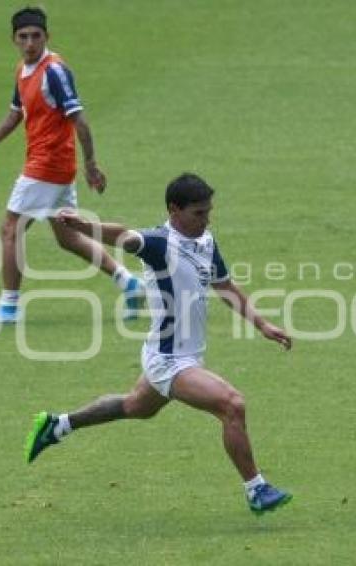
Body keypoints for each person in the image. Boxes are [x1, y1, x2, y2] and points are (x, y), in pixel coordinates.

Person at [25, 173, 294, 515]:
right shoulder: (159, 244)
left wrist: (263, 324)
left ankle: (59, 424)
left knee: (136, 407)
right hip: (169, 360)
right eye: (198, 213)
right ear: (174, 210)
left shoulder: (205, 240)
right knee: (232, 405)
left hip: (182, 355)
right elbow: (125, 235)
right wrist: (82, 225)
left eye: (208, 212)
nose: (206, 220)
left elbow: (224, 285)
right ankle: (257, 489)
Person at [0, 7, 143, 325]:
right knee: (68, 236)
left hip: (48, 165)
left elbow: (80, 120)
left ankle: (9, 307)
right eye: (23, 37)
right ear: (14, 40)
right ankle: (130, 283)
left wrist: (91, 164)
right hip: (50, 165)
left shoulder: (55, 71)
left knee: (10, 229)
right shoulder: (23, 69)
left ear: (47, 37)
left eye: (36, 36)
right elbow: (15, 113)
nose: (30, 43)